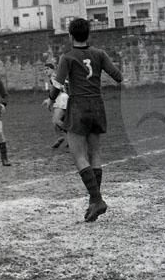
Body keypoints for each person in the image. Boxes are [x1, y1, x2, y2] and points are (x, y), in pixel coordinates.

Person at [49, 17, 122, 223]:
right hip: (97, 105)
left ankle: (97, 200)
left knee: (79, 155)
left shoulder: (67, 57)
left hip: (79, 106)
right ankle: (93, 201)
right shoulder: (100, 54)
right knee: (95, 154)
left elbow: (57, 85)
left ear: (70, 35)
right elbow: (118, 76)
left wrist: (50, 99)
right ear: (88, 34)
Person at [42, 62, 69, 149]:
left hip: (62, 99)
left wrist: (49, 100)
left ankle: (71, 137)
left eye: (48, 69)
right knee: (59, 121)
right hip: (62, 98)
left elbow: (58, 89)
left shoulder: (53, 77)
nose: (46, 71)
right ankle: (62, 138)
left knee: (56, 120)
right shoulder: (56, 76)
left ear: (53, 69)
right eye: (44, 69)